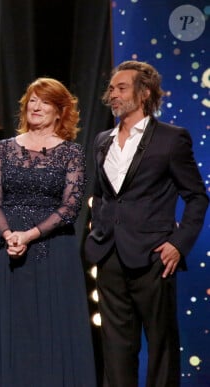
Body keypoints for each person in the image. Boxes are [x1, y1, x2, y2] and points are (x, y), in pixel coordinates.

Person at [85, 60, 209, 386]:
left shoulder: (171, 139)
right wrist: (98, 227)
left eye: (121, 87)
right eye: (111, 88)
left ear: (144, 93)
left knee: (161, 344)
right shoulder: (102, 141)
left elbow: (197, 197)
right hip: (109, 254)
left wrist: (178, 245)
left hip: (154, 256)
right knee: (115, 347)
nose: (113, 93)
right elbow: (101, 194)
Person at [0, 77, 96, 386]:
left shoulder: (72, 153)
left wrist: (29, 235)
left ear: (60, 112)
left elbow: (71, 206)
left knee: (53, 327)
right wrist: (9, 236)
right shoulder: (3, 149)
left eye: (44, 101)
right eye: (32, 99)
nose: (36, 106)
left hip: (54, 250)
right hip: (8, 249)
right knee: (13, 328)